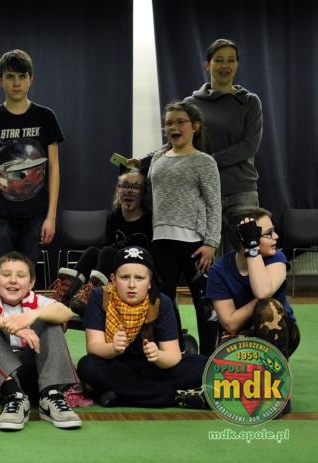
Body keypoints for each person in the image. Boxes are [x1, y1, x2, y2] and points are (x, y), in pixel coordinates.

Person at [77, 246, 209, 408]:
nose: (132, 285)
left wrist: (158, 356)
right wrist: (113, 348)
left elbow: (173, 355)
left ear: (149, 283)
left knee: (205, 366)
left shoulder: (161, 302)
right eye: (125, 277)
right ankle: (174, 397)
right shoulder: (100, 296)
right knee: (87, 365)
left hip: (152, 368)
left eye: (139, 278)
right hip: (114, 365)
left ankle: (119, 394)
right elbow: (93, 346)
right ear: (113, 279)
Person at [0, 251, 82, 431]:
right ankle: (14, 396)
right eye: (6, 275)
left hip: (35, 376)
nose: (13, 280)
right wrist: (13, 327)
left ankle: (51, 395)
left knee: (51, 321)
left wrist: (35, 315)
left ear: (31, 282)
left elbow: (66, 313)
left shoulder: (39, 302)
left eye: (21, 276)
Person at [0, 49, 64, 264]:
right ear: (0, 80)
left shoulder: (45, 117)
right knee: (3, 271)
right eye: (10, 76)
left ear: (31, 79)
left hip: (36, 214)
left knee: (27, 273)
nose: (16, 83)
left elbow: (54, 168)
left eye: (22, 76)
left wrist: (51, 216)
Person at [149, 101, 221, 356]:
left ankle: (208, 359)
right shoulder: (157, 158)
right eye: (169, 123)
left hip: (196, 244)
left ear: (195, 126)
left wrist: (211, 243)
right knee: (166, 303)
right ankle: (175, 354)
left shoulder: (204, 162)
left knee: (205, 305)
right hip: (161, 242)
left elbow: (214, 204)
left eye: (180, 122)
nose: (173, 127)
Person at [184, 39, 263, 252]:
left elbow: (249, 146)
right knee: (209, 259)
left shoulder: (249, 102)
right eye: (219, 60)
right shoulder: (190, 105)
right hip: (205, 191)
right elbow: (179, 144)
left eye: (231, 60)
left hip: (241, 191)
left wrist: (208, 161)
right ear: (207, 65)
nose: (225, 65)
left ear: (237, 64)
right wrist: (145, 160)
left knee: (246, 255)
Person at [54, 169, 153, 315]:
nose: (129, 191)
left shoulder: (148, 219)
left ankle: (94, 297)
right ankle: (64, 298)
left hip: (136, 267)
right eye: (125, 186)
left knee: (106, 251)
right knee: (93, 251)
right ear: (118, 190)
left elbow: (137, 248)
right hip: (113, 264)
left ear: (143, 193)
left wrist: (108, 252)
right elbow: (107, 243)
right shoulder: (113, 216)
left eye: (135, 187)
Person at [206, 208, 300, 358]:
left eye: (274, 231)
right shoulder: (218, 271)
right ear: (246, 240)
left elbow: (262, 293)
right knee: (226, 356)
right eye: (269, 233)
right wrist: (251, 245)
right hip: (241, 333)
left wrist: (252, 249)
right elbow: (231, 324)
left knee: (267, 307)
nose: (276, 236)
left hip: (282, 332)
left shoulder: (277, 258)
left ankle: (275, 368)